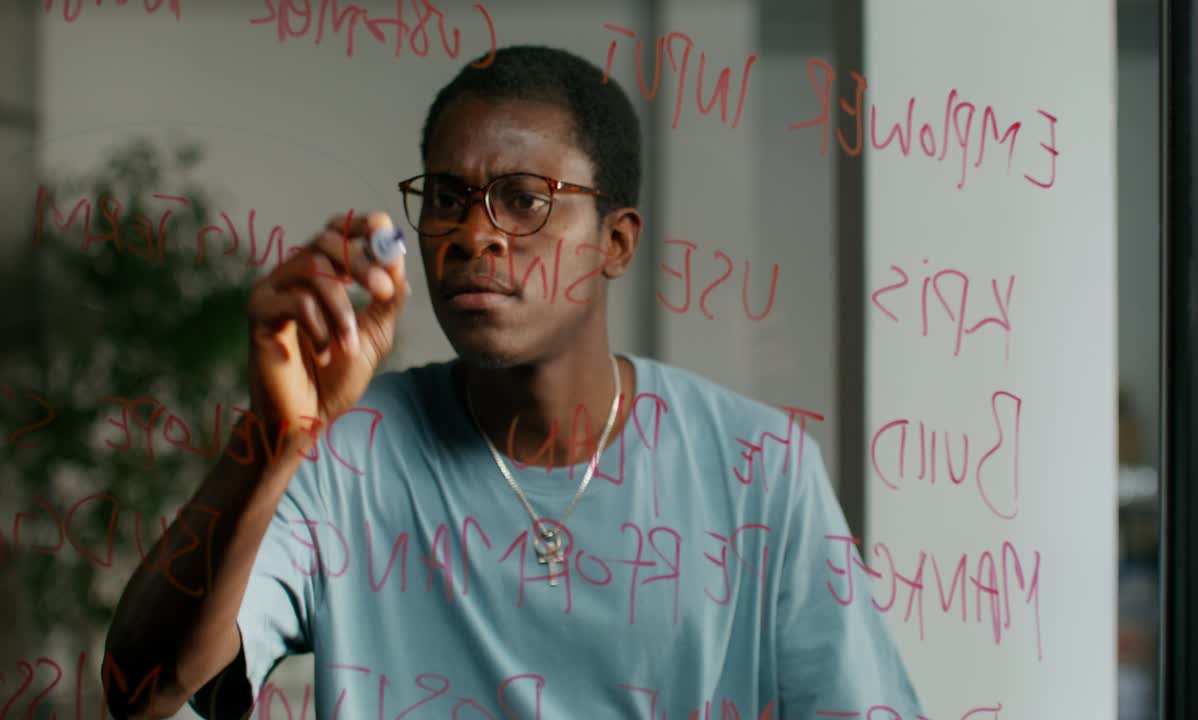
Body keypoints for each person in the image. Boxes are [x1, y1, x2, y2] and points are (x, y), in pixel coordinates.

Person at [102, 45, 922, 719]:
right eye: (449, 198)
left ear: (617, 241)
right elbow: (141, 691)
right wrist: (271, 440)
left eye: (524, 201)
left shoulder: (761, 469)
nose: (473, 235)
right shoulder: (346, 448)